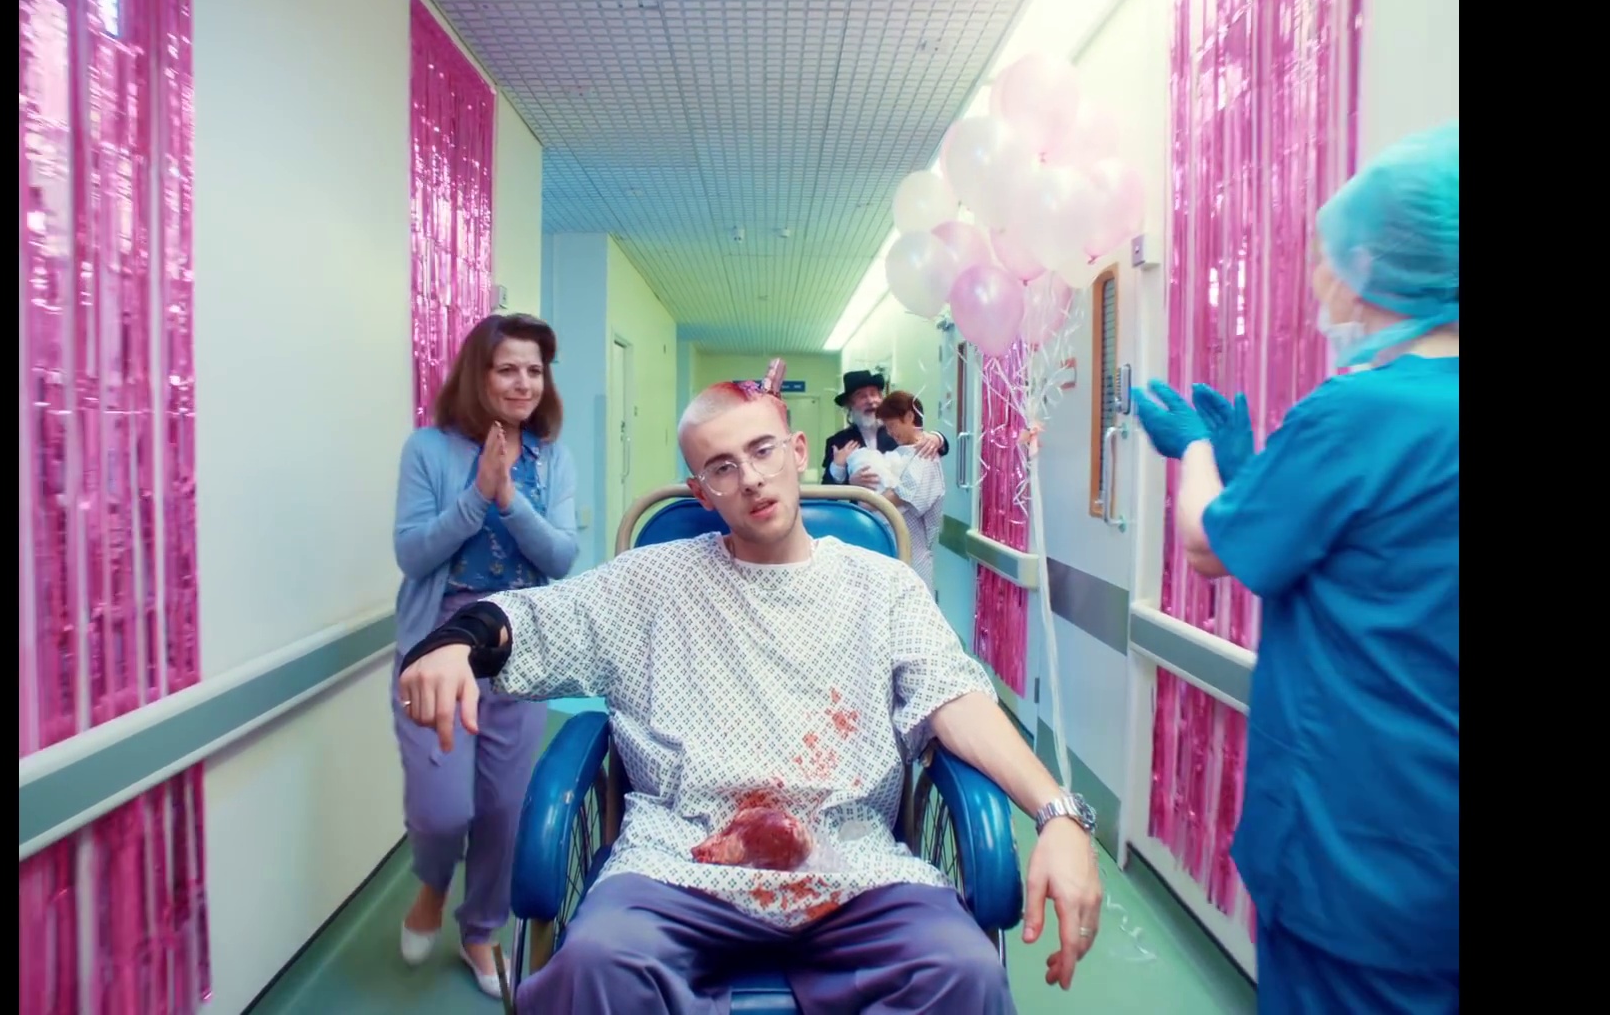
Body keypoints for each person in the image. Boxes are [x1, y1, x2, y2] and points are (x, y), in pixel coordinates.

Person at [399, 381, 1106, 1014]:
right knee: (595, 965)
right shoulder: (652, 582)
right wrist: (456, 642)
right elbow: (530, 620)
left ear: (797, 451)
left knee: (962, 972)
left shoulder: (882, 587)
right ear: (701, 491)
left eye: (763, 450)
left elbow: (955, 700)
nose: (751, 479)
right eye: (723, 467)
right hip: (679, 861)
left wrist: (1058, 815)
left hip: (851, 860)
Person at [1132, 121, 1458, 1015]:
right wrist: (1257, 482)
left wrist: (1196, 450)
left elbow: (1208, 547)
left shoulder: (1362, 412)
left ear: (1376, 266)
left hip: (1362, 846)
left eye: (1331, 256)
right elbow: (1365, 552)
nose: (1322, 278)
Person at [390, 313, 579, 998]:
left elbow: (561, 557)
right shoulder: (429, 450)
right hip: (439, 643)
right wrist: (477, 497)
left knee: (503, 807)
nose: (524, 383)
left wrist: (511, 500)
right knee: (442, 810)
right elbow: (412, 554)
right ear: (479, 374)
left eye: (534, 370)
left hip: (520, 641)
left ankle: (481, 930)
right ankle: (433, 884)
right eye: (508, 369)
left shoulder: (551, 457)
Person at [821, 369, 951, 486]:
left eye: (874, 394)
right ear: (849, 405)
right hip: (858, 505)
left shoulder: (898, 431)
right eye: (862, 396)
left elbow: (932, 447)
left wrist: (937, 438)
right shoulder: (839, 442)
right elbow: (826, 490)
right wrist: (845, 477)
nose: (870, 401)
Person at [874, 389, 947, 588]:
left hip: (915, 550)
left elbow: (904, 494)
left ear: (909, 416)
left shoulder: (926, 452)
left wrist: (868, 502)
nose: (890, 432)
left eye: (892, 425)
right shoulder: (902, 451)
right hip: (894, 546)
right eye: (886, 427)